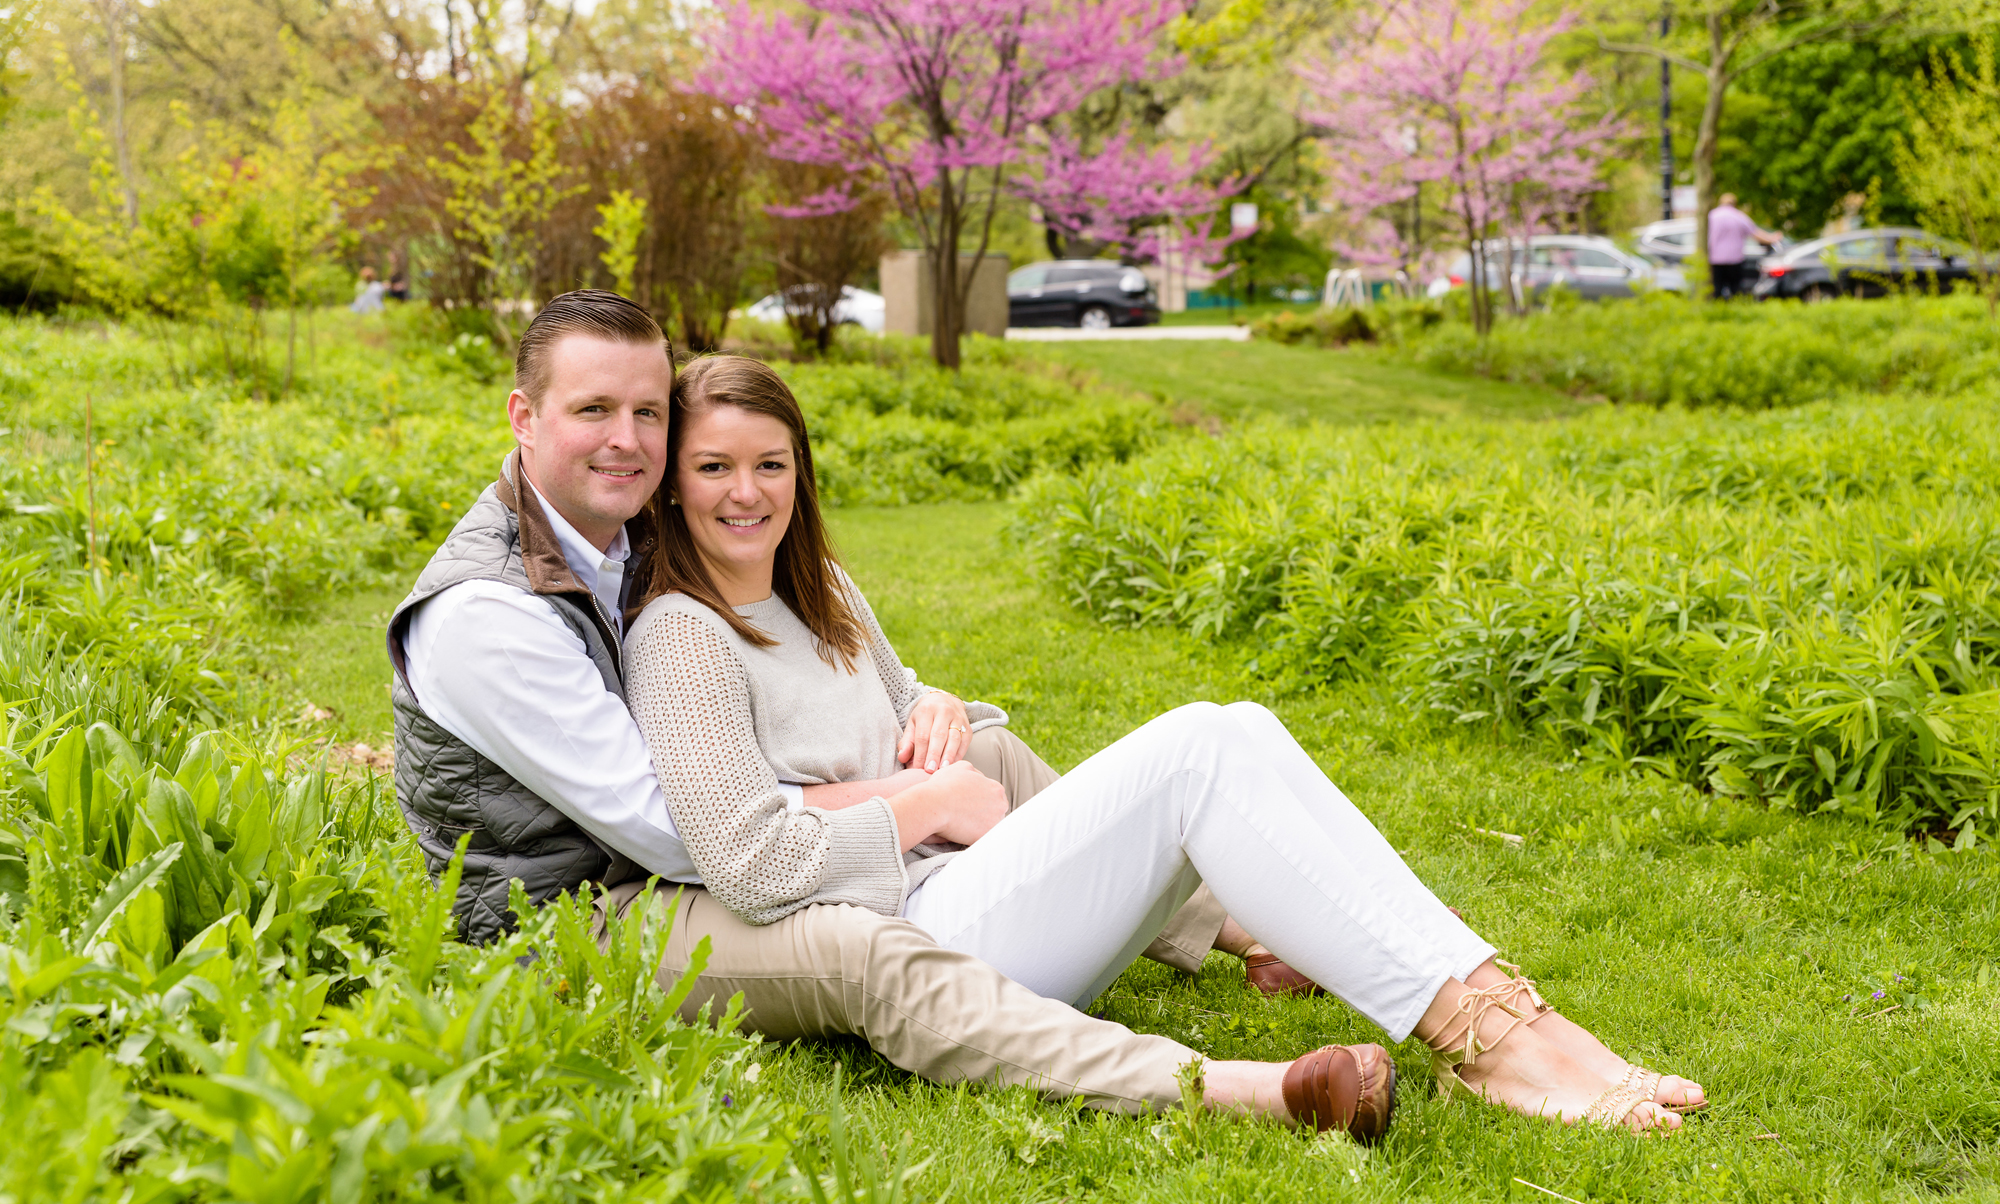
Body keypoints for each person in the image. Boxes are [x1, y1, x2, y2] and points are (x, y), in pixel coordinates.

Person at [622, 350, 1712, 1139]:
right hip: (912, 931)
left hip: (966, 890)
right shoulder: (681, 636)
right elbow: (744, 861)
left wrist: (937, 709)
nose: (745, 492)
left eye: (769, 464)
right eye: (714, 468)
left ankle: (1504, 1018)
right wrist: (922, 805)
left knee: (1233, 730)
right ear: (674, 481)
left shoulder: (828, 594)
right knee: (1201, 745)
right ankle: (1496, 1045)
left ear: (800, 470)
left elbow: (939, 724)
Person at [387, 290, 1394, 1142]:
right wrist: (915, 804)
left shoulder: (631, 538)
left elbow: (822, 688)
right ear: (524, 418)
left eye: (648, 413)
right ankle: (1234, 1088)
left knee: (988, 755)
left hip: (671, 857)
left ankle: (1233, 932)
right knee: (857, 948)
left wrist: (938, 733)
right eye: (592, 409)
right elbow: (679, 829)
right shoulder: (486, 617)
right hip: (573, 920)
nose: (627, 439)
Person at [1707, 194, 1781, 298]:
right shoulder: (1739, 216)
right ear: (1734, 203)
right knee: (1735, 289)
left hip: (1715, 259)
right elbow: (1755, 233)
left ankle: (1717, 310)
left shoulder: (1712, 216)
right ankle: (1736, 310)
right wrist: (1772, 238)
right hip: (1734, 259)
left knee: (1716, 288)